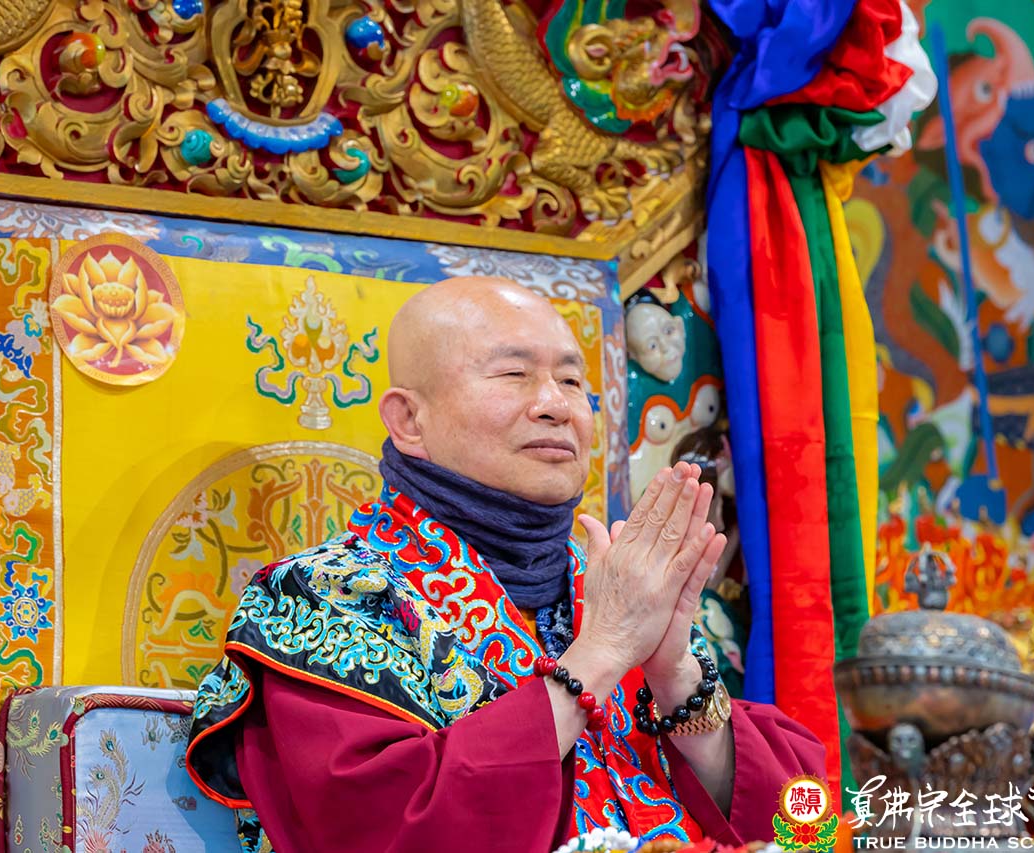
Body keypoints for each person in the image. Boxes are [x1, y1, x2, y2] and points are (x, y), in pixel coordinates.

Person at [186, 277, 825, 852]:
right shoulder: (323, 598)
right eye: (514, 374)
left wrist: (676, 674)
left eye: (571, 381)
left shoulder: (614, 585)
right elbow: (394, 832)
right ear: (409, 420)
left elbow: (803, 827)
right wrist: (599, 655)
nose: (556, 405)